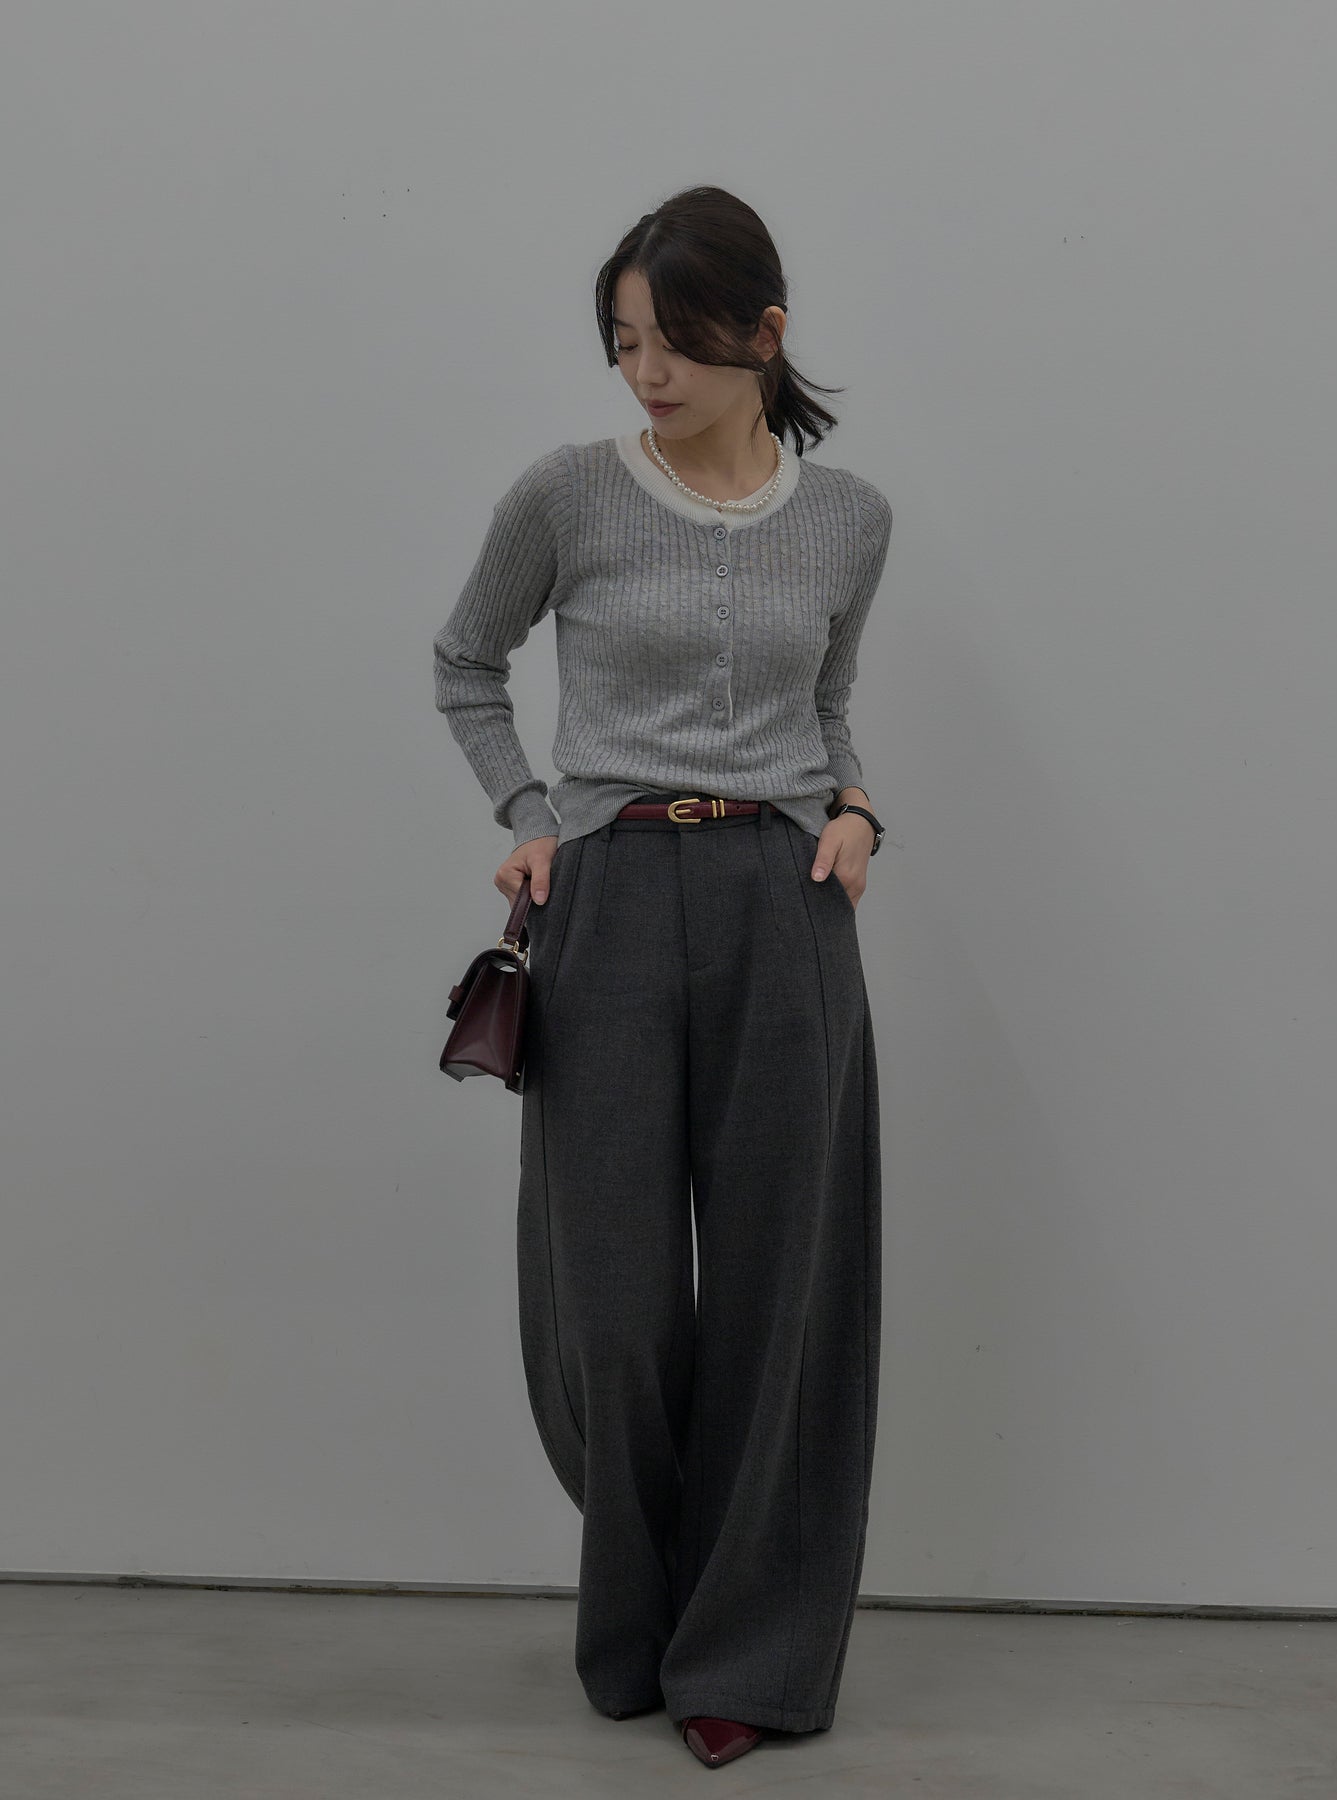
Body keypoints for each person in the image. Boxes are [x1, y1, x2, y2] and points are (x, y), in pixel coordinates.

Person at [431, 184, 892, 1771]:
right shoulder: (564, 495)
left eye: (676, 343)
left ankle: (747, 1653)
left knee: (784, 1291)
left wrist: (857, 811)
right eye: (624, 343)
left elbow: (827, 708)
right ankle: (641, 1607)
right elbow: (464, 661)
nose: (646, 375)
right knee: (611, 1303)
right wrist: (528, 813)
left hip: (785, 904)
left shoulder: (849, 520)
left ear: (764, 334)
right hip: (611, 895)